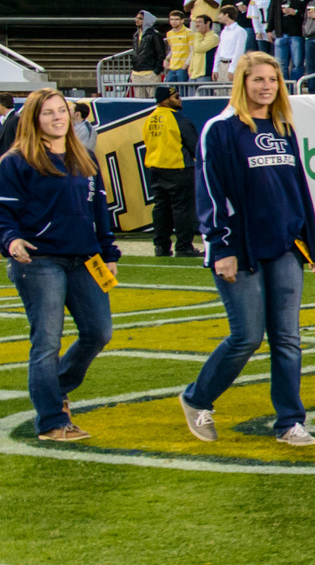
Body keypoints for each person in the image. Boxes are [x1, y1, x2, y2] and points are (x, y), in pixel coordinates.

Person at [178, 53, 315, 448]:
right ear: (241, 82)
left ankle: (290, 421)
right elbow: (210, 192)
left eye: (273, 80)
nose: (266, 87)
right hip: (238, 249)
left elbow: (298, 190)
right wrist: (221, 244)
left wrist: (313, 245)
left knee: (287, 339)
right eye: (258, 79)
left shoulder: (283, 127)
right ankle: (196, 398)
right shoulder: (220, 129)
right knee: (246, 336)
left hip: (283, 247)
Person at [0, 90, 116, 442]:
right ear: (34, 119)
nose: (58, 118)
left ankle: (55, 388)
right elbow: (3, 213)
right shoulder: (16, 161)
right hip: (38, 259)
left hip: (84, 258)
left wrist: (109, 253)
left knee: (99, 332)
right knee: (47, 341)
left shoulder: (85, 156)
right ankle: (52, 421)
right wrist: (11, 241)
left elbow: (99, 210)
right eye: (48, 113)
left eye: (62, 111)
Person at [141, 84, 197, 257]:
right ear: (166, 99)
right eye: (176, 97)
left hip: (156, 169)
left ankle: (161, 246)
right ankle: (183, 246)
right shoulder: (178, 119)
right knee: (182, 209)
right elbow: (194, 145)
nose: (180, 100)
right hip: (178, 168)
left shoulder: (149, 119)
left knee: (161, 208)